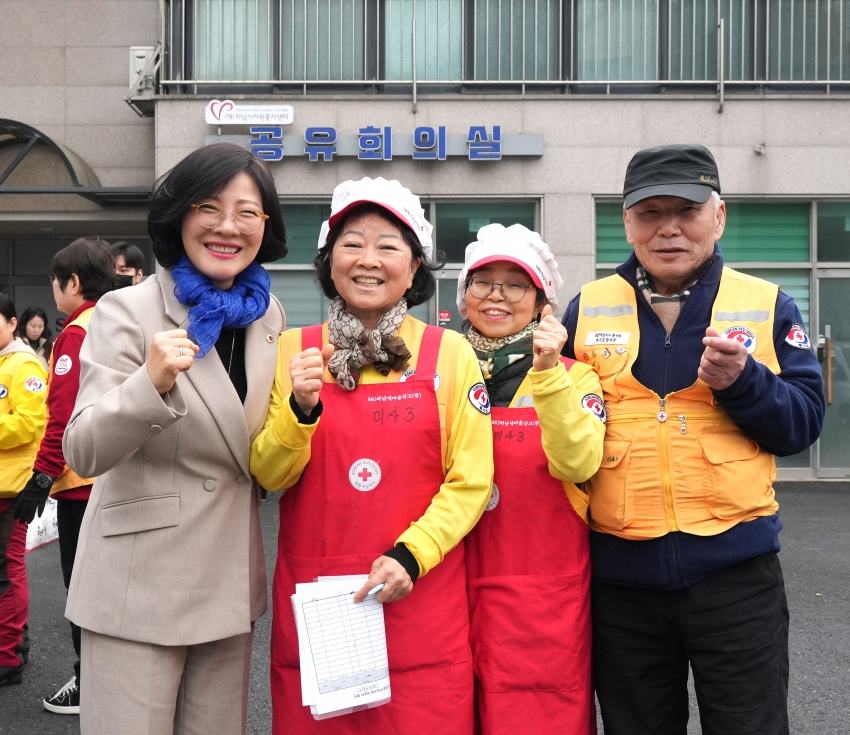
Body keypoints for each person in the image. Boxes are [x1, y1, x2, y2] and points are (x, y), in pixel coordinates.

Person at [561, 144, 825, 735]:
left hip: (736, 577)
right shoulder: (587, 308)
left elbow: (804, 423)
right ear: (627, 222)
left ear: (719, 215)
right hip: (620, 584)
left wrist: (745, 382)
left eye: (687, 209)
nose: (669, 228)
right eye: (649, 212)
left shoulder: (766, 305)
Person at [250, 177, 494, 735]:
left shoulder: (450, 353)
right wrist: (300, 408)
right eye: (352, 243)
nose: (368, 259)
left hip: (421, 596)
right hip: (321, 607)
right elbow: (267, 471)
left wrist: (412, 555)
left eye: (388, 245)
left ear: (414, 268)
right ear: (329, 260)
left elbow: (472, 481)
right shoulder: (290, 348)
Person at [62, 143, 287, 735]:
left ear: (266, 225)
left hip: (229, 586)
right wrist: (150, 383)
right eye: (209, 207)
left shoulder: (268, 318)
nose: (227, 227)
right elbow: (82, 449)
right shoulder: (127, 311)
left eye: (248, 212)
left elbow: (258, 450)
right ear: (179, 215)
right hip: (139, 585)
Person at [459, 224, 604, 735]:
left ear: (542, 302)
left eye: (515, 284)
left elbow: (579, 464)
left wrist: (547, 373)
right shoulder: (438, 370)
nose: (496, 296)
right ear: (464, 298)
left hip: (541, 595)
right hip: (447, 584)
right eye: (482, 282)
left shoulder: (575, 375)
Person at [13, 237, 115, 715]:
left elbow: (63, 412)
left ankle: (87, 682)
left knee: (81, 589)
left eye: (57, 282)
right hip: (115, 473)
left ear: (73, 283)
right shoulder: (116, 321)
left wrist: (42, 475)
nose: (54, 291)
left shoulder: (76, 332)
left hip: (81, 481)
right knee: (110, 586)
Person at [0, 294, 48, 687]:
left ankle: (8, 657)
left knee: (8, 570)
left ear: (12, 323)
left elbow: (31, 424)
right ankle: (15, 645)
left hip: (12, 486)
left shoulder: (24, 364)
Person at [16, 305, 53, 369]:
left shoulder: (50, 346)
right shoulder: (15, 344)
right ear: (24, 324)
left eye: (40, 326)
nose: (36, 330)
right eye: (33, 326)